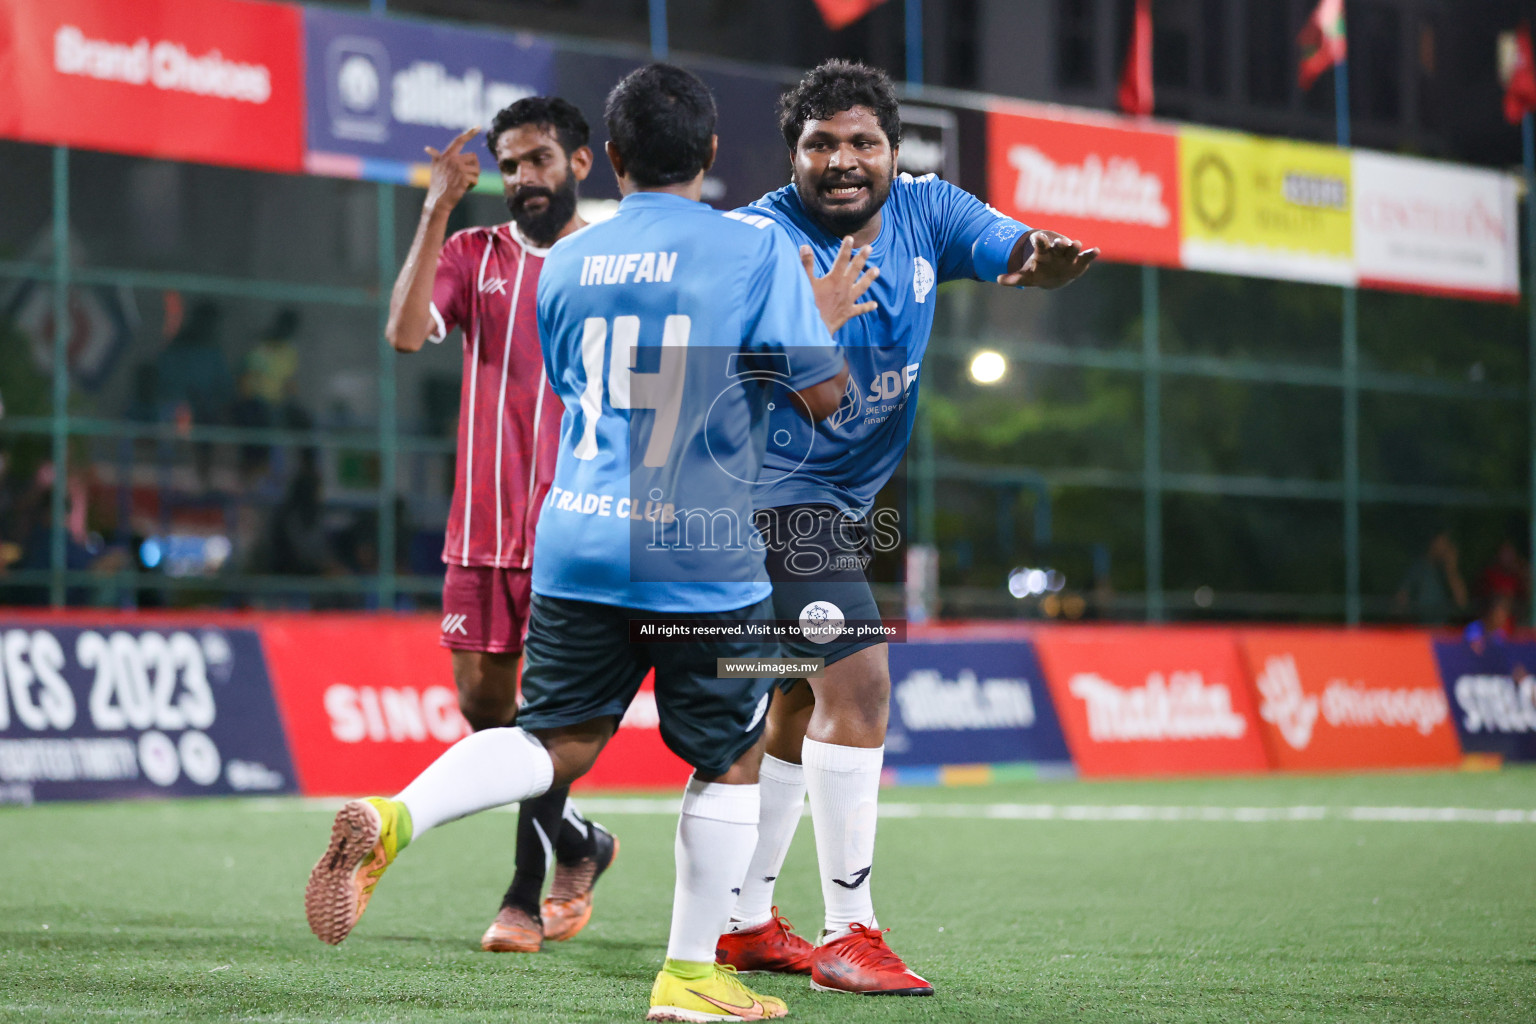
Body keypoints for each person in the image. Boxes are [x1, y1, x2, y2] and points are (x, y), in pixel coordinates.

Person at [305, 63, 873, 1022]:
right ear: (712, 153)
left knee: (552, 738)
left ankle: (403, 815)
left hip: (575, 540)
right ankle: (691, 978)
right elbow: (822, 401)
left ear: (608, 159)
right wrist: (805, 334)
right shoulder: (755, 249)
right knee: (728, 757)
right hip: (699, 555)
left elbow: (576, 391)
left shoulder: (565, 261)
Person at [715, 60, 1097, 996]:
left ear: (893, 153)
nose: (842, 161)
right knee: (861, 682)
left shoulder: (928, 209)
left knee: (799, 706)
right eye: (821, 145)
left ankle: (746, 923)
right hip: (764, 496)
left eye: (862, 143)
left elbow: (1006, 243)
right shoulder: (757, 237)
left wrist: (1032, 261)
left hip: (841, 504)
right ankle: (851, 931)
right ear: (792, 154)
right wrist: (796, 324)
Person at [382, 97, 616, 954]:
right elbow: (405, 335)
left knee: (542, 721)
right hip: (479, 530)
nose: (523, 180)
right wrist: (437, 206)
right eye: (510, 165)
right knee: (486, 710)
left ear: (580, 163)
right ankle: (583, 841)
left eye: (539, 161)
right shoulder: (473, 254)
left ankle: (523, 894)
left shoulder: (611, 259)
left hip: (572, 531)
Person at [1394, 530, 1469, 625]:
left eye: (1447, 544)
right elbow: (1400, 603)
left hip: (1446, 631)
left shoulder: (1449, 572)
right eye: (1443, 543)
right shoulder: (1419, 569)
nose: (1445, 548)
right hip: (1421, 630)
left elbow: (1462, 605)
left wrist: (1451, 571)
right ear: (1433, 543)